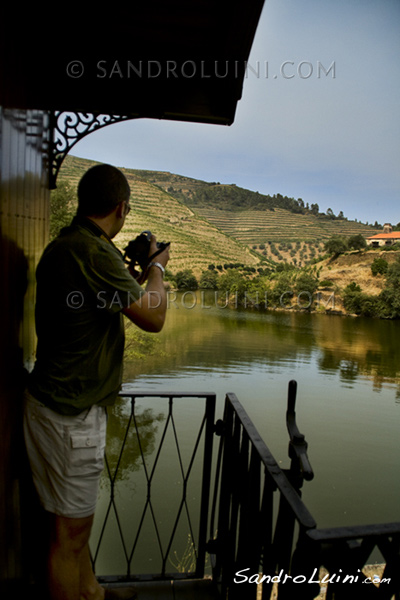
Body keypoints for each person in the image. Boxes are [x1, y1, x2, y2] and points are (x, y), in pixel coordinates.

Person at [23, 164, 170, 600]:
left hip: (49, 404)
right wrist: (158, 270)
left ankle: (92, 593)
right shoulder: (93, 252)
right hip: (71, 417)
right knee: (69, 538)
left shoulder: (68, 245)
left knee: (70, 524)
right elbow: (155, 318)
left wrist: (134, 277)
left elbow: (97, 301)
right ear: (121, 207)